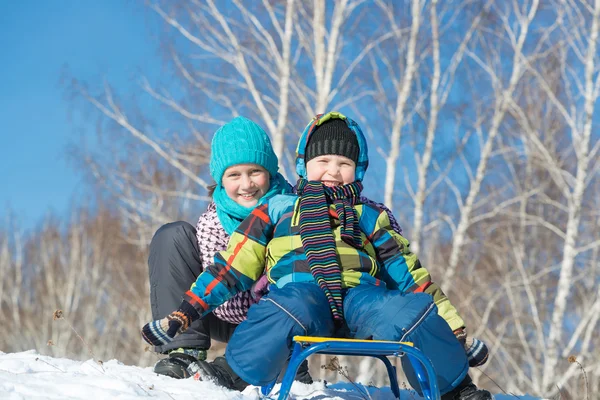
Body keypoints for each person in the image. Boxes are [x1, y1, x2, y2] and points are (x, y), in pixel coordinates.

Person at [142, 112, 491, 400]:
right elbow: (232, 265)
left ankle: (455, 388)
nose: (333, 170)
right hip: (301, 293)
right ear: (303, 165)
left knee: (407, 310)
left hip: (361, 298)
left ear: (359, 168)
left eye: (344, 163)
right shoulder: (277, 208)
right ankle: (230, 374)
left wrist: (455, 331)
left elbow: (411, 275)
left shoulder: (369, 215)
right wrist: (186, 312)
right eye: (322, 160)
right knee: (288, 305)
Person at [147, 115, 404, 384]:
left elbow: (347, 214)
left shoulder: (296, 206)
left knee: (288, 343)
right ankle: (183, 350)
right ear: (221, 180)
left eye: (255, 172)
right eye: (234, 175)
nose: (247, 184)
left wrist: (371, 222)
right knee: (172, 235)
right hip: (227, 312)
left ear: (270, 172)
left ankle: (283, 359)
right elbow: (223, 281)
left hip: (287, 315)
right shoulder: (212, 222)